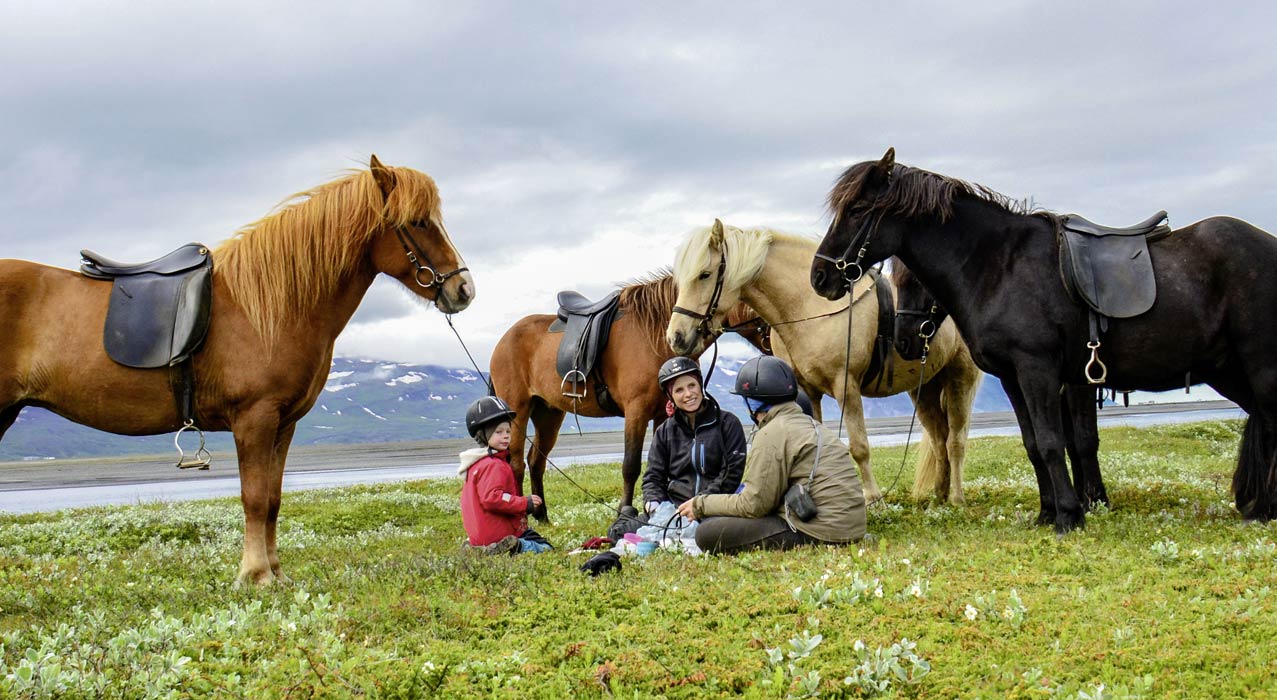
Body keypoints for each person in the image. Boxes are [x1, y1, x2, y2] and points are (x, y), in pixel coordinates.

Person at [676, 356, 866, 554]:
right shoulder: (814, 426)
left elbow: (754, 505)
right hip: (851, 528)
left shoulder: (772, 432)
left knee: (707, 532)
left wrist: (700, 505)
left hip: (820, 531)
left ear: (753, 402)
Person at [609, 356, 747, 540]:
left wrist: (699, 505)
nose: (688, 394)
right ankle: (629, 514)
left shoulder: (728, 424)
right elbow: (653, 476)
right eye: (679, 390)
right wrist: (654, 504)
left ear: (700, 385)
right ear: (670, 396)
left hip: (715, 507)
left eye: (692, 385)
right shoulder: (665, 431)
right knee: (616, 534)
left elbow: (731, 475)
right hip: (675, 510)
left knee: (709, 535)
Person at [460, 396, 552, 555]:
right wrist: (524, 503)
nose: (506, 436)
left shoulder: (475, 464)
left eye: (508, 431)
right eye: (498, 432)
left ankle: (477, 546)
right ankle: (515, 546)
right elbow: (493, 498)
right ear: (483, 435)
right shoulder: (494, 465)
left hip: (479, 534)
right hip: (498, 534)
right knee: (545, 548)